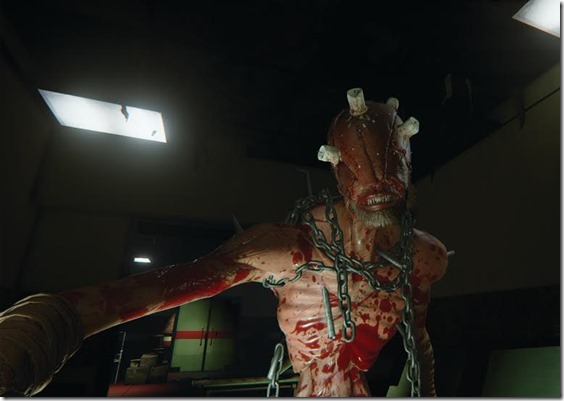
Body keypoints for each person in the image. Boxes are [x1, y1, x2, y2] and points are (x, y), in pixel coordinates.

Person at [0, 88, 447, 397]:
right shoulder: (288, 251)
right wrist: (44, 326)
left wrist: (426, 390)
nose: (378, 184)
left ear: (407, 160)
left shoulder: (423, 257)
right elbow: (163, 287)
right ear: (336, 168)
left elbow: (419, 337)